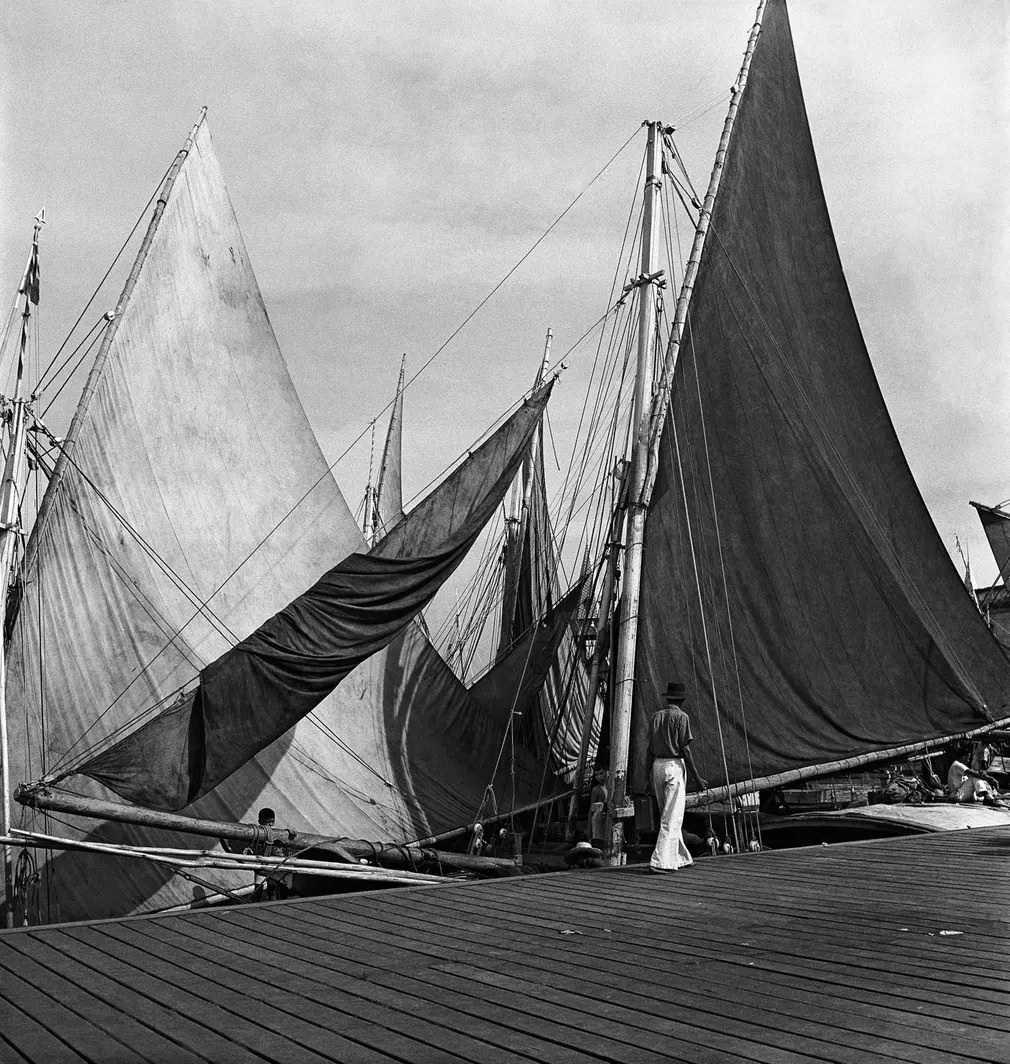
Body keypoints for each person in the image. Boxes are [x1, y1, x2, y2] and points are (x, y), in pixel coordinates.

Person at [648, 681, 707, 873]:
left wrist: (646, 776)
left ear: (667, 698)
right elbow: (686, 750)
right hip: (674, 765)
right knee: (672, 816)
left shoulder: (656, 717)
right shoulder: (682, 717)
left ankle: (680, 856)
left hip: (657, 765)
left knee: (667, 812)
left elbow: (649, 749)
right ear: (682, 700)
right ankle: (660, 862)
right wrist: (697, 779)